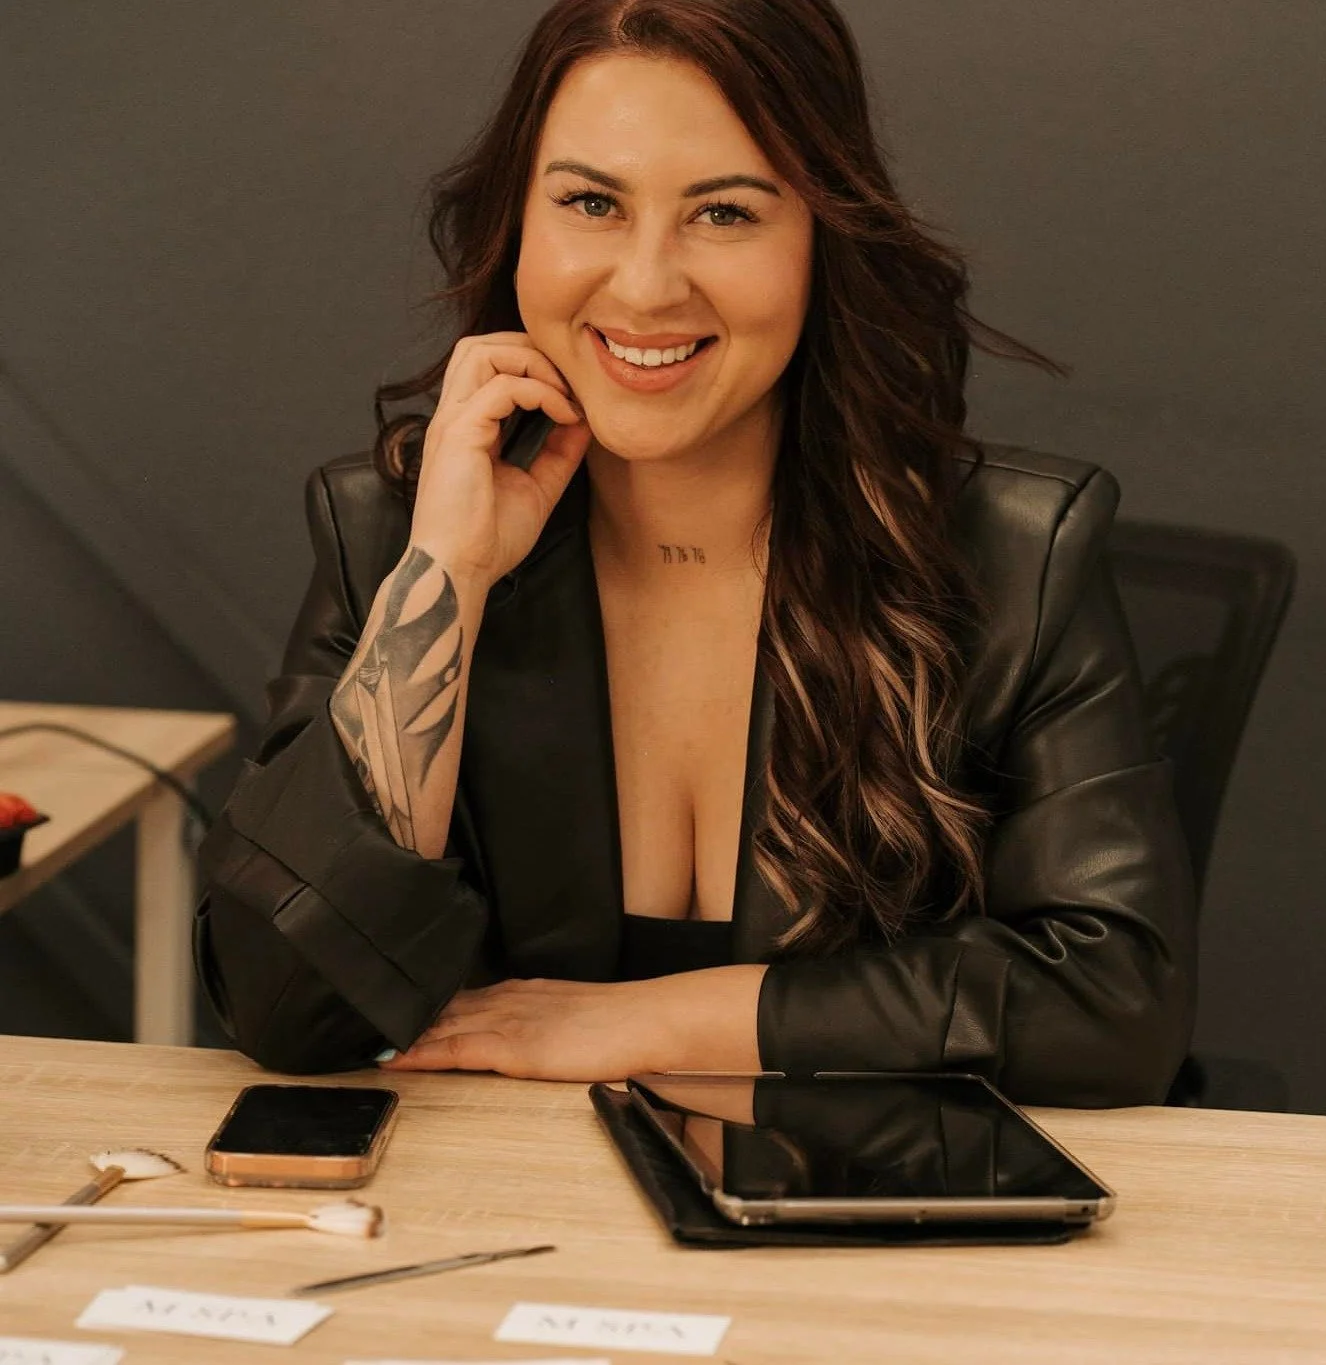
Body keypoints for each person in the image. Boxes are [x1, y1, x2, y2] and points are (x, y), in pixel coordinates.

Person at [193, 0, 1196, 1106]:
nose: (645, 286)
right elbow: (285, 1007)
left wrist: (646, 1022)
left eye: (724, 213)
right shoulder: (394, 534)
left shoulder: (1014, 555)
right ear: (516, 223)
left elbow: (1112, 1005)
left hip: (855, 1199)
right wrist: (449, 577)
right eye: (590, 203)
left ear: (822, 238)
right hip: (501, 1196)